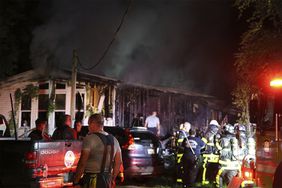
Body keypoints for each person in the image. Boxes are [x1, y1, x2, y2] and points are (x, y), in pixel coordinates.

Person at [73, 114, 122, 188]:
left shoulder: (89, 139)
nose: (88, 127)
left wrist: (76, 181)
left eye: (89, 124)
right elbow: (118, 162)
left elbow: (82, 162)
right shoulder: (114, 140)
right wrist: (113, 178)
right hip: (107, 179)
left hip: (91, 179)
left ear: (93, 123)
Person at [201, 120, 221, 185]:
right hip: (216, 154)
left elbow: (202, 144)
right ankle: (214, 180)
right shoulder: (219, 134)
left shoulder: (207, 134)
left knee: (206, 167)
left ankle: (205, 180)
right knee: (215, 167)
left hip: (208, 154)